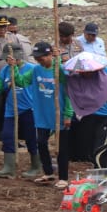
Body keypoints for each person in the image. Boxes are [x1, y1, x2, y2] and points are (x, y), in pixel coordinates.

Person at [61, 52, 107, 181]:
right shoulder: (75, 79)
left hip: (104, 117)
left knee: (100, 151)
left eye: (88, 71)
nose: (86, 74)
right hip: (87, 116)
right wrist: (56, 59)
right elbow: (62, 80)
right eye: (83, 71)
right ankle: (98, 177)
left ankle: (103, 180)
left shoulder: (104, 79)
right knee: (90, 151)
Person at [19, 41, 70, 184]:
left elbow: (69, 92)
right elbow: (22, 82)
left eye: (41, 57)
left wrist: (68, 114)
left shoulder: (60, 70)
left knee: (61, 147)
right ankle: (48, 172)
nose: (38, 60)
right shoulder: (36, 70)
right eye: (36, 58)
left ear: (50, 55)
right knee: (41, 142)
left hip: (59, 114)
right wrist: (14, 68)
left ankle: (63, 178)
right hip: (42, 114)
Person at [0, 44, 39, 179]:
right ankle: (9, 167)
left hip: (29, 108)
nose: (7, 60)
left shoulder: (32, 69)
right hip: (10, 110)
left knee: (31, 138)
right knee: (7, 136)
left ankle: (36, 166)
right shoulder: (5, 70)